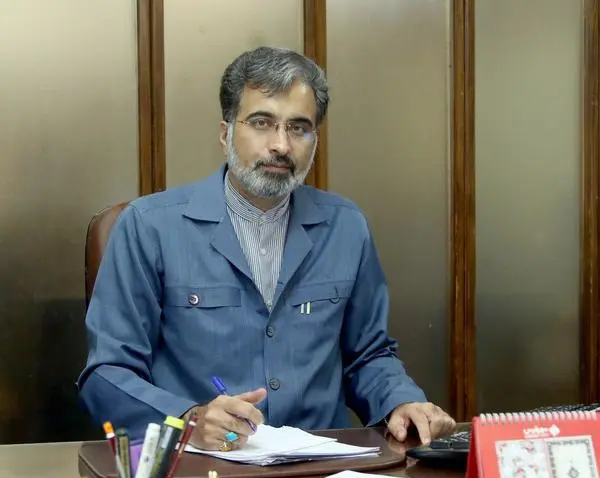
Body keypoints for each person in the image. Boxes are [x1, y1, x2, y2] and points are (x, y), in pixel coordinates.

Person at [77, 46, 456, 452]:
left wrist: (400, 400)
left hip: (323, 463)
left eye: (299, 128)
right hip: (205, 462)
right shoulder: (149, 226)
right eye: (262, 123)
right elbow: (108, 373)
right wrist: (188, 419)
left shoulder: (345, 226)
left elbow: (367, 355)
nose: (281, 145)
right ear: (225, 133)